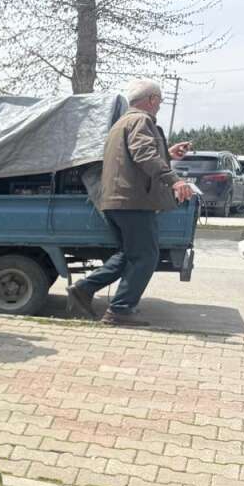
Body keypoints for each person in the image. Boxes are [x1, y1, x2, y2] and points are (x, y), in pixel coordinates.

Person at [66, 79, 195, 326]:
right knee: (146, 256)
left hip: (115, 201)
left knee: (130, 254)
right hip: (133, 202)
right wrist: (174, 180)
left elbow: (130, 158)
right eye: (159, 101)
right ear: (152, 100)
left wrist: (167, 154)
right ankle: (121, 310)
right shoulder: (141, 120)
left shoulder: (121, 123)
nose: (159, 106)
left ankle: (83, 289)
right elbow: (143, 154)